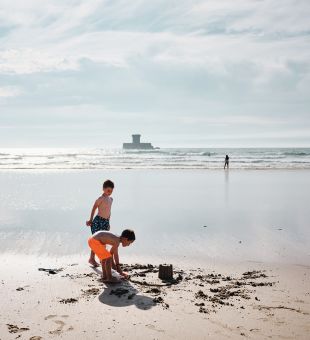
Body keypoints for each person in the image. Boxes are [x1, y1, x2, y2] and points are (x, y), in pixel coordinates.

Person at [86, 179, 114, 267]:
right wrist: (90, 219)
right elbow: (94, 208)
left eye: (111, 191)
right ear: (103, 189)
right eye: (108, 190)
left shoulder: (111, 199)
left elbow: (109, 212)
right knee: (97, 241)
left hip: (105, 222)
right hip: (98, 221)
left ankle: (102, 259)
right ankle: (92, 259)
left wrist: (108, 223)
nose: (109, 192)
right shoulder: (100, 198)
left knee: (104, 241)